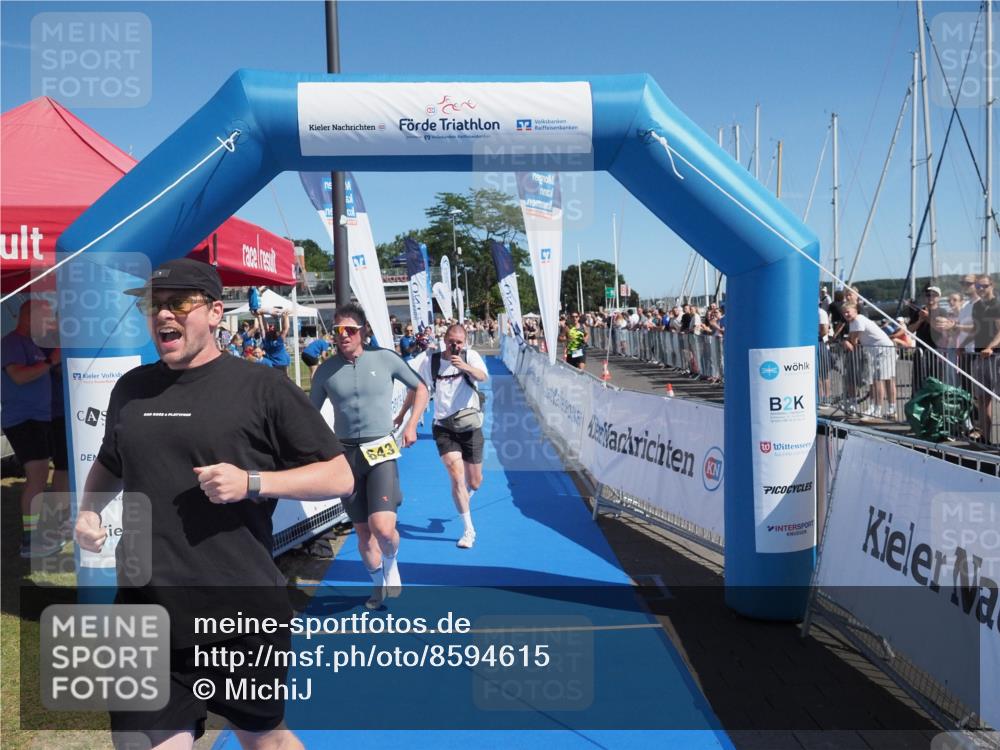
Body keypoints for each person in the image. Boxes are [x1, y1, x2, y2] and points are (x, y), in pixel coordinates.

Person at [74, 258, 353, 750]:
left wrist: (253, 481)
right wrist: (89, 511)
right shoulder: (132, 389)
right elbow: (110, 463)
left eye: (179, 303)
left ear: (216, 313)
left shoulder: (262, 387)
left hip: (238, 612)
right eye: (155, 305)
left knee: (261, 737)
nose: (164, 315)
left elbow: (339, 476)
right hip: (145, 610)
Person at [310, 303, 429, 608]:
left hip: (380, 451)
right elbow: (308, 417)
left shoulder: (385, 359)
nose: (344, 335)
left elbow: (421, 388)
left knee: (383, 528)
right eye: (338, 331)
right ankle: (377, 586)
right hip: (347, 456)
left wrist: (411, 424)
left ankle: (391, 564)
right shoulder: (326, 370)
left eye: (350, 330)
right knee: (363, 532)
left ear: (363, 332)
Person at [417, 323, 489, 549]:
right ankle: (469, 530)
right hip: (443, 426)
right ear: (444, 340)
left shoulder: (471, 356)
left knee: (474, 482)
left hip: (469, 425)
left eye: (459, 342)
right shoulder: (432, 361)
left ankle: (465, 496)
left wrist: (465, 366)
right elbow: (419, 389)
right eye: (451, 341)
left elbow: (482, 377)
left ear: (464, 342)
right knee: (455, 476)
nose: (454, 346)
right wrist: (406, 419)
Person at [1, 299, 63, 558]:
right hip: (23, 420)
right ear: (29, 317)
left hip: (40, 419)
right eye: (46, 318)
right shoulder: (12, 342)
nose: (49, 324)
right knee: (36, 477)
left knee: (39, 476)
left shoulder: (33, 344)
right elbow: (19, 376)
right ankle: (30, 541)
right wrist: (50, 362)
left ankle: (37, 536)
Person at [843, 304, 898, 419]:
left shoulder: (858, 320)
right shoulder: (855, 321)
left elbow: (853, 341)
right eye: (844, 312)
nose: (846, 314)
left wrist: (845, 341)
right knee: (885, 379)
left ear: (855, 311)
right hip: (881, 349)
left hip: (882, 350)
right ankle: (889, 409)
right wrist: (848, 340)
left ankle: (878, 410)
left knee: (878, 380)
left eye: (848, 311)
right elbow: (853, 340)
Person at [971, 274, 1000, 442]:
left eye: (984, 286)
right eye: (978, 286)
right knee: (982, 399)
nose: (981, 289)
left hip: (995, 356)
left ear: (992, 285)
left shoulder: (997, 304)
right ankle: (985, 437)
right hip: (980, 356)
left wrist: (990, 347)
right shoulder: (977, 306)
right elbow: (975, 330)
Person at [262, 309, 291, 375]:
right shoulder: (279, 343)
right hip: (281, 364)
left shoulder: (266, 342)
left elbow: (265, 328)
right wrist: (286, 316)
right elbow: (286, 329)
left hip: (271, 365)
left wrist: (262, 315)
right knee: (283, 382)